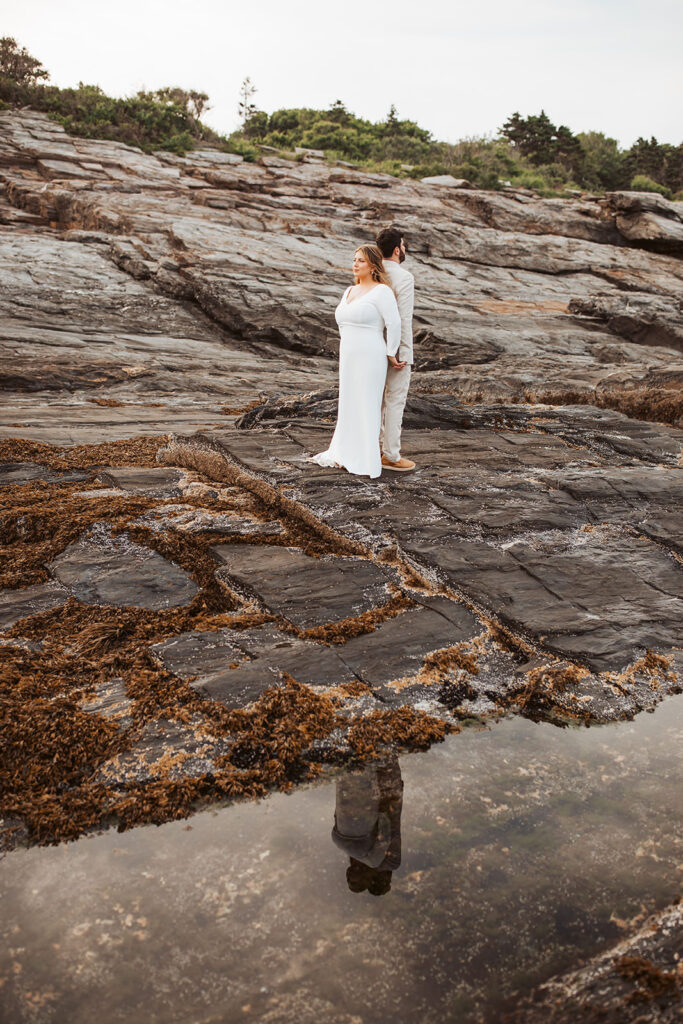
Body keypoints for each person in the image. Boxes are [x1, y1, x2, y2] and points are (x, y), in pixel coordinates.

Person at [310, 244, 401, 479]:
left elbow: (394, 323)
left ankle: (365, 458)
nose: (355, 264)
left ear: (372, 266)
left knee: (367, 403)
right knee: (349, 402)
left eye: (360, 260)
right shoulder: (348, 291)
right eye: (354, 260)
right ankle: (344, 453)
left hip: (370, 355)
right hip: (348, 355)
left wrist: (391, 352)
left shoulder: (382, 292)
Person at [331, 758, 404, 897]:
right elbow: (338, 813)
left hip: (386, 799)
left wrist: (385, 806)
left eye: (386, 881)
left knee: (382, 757)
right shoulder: (349, 848)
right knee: (355, 767)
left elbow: (387, 831)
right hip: (346, 828)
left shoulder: (388, 862)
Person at [376, 226, 416, 472]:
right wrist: (400, 351)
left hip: (371, 346)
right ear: (396, 250)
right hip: (396, 348)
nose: (404, 249)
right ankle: (391, 454)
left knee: (375, 401)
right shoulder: (404, 277)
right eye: (403, 245)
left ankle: (373, 448)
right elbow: (403, 318)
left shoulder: (372, 273)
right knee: (395, 401)